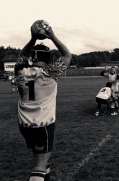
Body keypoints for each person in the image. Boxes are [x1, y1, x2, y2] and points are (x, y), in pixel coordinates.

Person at [14, 20, 72, 181]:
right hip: (43, 124)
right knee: (39, 167)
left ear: (32, 57)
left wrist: (32, 39)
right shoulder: (51, 72)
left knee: (42, 162)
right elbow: (67, 55)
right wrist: (52, 36)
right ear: (48, 58)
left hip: (24, 124)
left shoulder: (20, 70)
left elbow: (22, 56)